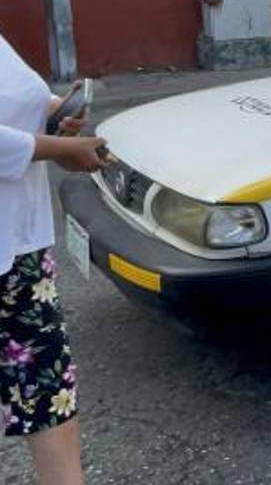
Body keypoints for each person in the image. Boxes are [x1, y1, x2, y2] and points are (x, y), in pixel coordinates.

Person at [2, 32, 107, 485]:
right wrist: (60, 149)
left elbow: (17, 96)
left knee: (48, 387)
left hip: (21, 245)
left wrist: (57, 114)